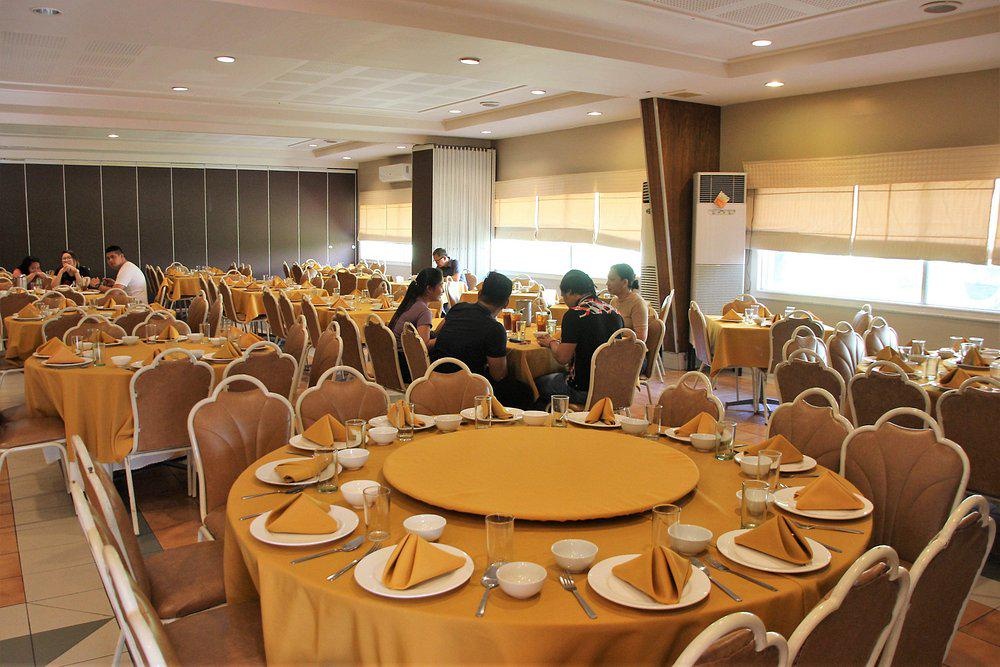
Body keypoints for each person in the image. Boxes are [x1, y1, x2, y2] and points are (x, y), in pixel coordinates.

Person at [431, 271, 533, 408]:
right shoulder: (495, 328)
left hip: (436, 377)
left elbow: (437, 333)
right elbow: (498, 376)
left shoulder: (457, 308)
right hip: (469, 387)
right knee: (525, 392)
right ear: (506, 303)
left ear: (479, 294)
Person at [535, 270, 624, 407]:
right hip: (613, 388)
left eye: (564, 296)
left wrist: (551, 342)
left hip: (583, 389)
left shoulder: (575, 314)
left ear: (570, 291)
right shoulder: (614, 312)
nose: (565, 302)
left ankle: (548, 418)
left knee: (536, 383)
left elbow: (562, 358)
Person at [388, 267, 443, 383]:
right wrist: (445, 338)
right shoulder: (424, 311)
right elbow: (424, 345)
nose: (442, 290)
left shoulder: (410, 302)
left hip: (393, 362)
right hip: (408, 366)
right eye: (440, 285)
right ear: (429, 289)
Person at [606, 263, 648, 342]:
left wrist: (618, 336)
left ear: (625, 282)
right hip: (616, 344)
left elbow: (641, 338)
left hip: (629, 347)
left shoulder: (637, 303)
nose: (607, 283)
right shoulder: (614, 301)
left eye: (612, 279)